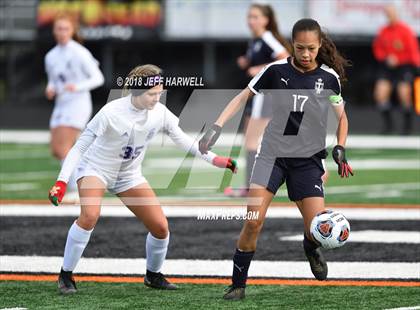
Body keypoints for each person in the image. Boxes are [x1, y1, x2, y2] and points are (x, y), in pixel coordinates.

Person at [48, 64, 237, 294]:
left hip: (129, 174)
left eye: (159, 92)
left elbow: (184, 140)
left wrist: (216, 160)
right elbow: (79, 148)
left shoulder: (160, 112)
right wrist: (61, 181)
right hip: (96, 169)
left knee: (160, 227)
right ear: (136, 92)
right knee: (89, 215)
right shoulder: (110, 112)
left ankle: (153, 275)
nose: (157, 98)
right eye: (152, 94)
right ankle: (66, 275)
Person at [199, 18, 353, 301]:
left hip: (308, 161)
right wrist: (217, 126)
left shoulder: (329, 78)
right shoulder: (275, 71)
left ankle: (311, 248)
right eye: (299, 48)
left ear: (319, 46)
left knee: (316, 228)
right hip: (271, 156)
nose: (305, 54)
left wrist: (340, 147)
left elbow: (341, 117)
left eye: (310, 48)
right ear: (291, 46)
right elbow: (242, 96)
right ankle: (238, 284)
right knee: (253, 221)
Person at [225, 3, 290, 197]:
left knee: (253, 142)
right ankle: (316, 168)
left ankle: (251, 188)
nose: (251, 21)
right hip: (259, 96)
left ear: (266, 20)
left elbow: (285, 58)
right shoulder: (255, 40)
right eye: (249, 17)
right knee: (264, 140)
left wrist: (259, 68)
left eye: (255, 17)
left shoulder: (267, 37)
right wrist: (247, 61)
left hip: (265, 96)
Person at [45, 13, 104, 198]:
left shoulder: (79, 52)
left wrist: (76, 87)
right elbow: (53, 81)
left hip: (77, 103)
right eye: (58, 28)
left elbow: (98, 78)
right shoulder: (51, 56)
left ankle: (72, 189)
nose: (62, 32)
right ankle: (85, 181)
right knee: (58, 150)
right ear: (54, 31)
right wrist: (50, 88)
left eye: (65, 28)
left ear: (72, 31)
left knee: (63, 148)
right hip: (61, 104)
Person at [372, 5, 420, 135]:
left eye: (392, 13)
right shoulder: (383, 31)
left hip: (404, 66)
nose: (390, 16)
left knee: (404, 93)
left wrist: (400, 59)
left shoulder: (405, 30)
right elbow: (378, 49)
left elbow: (413, 52)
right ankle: (388, 125)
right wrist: (386, 58)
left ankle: (407, 126)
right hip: (388, 67)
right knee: (380, 93)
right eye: (387, 14)